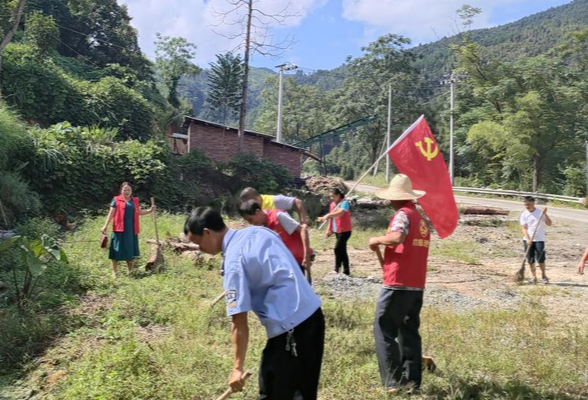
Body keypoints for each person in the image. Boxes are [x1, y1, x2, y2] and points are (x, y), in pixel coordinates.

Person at [184, 207, 324, 399]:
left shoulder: (233, 263)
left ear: (207, 233)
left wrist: (236, 368)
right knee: (304, 391)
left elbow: (239, 322)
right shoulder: (259, 231)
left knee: (273, 392)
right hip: (314, 315)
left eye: (198, 243)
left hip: (291, 328)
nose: (200, 249)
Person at [367, 174, 430, 394]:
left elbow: (397, 238)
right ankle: (412, 381)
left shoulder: (402, 215)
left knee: (383, 328)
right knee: (409, 332)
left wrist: (376, 240)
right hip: (416, 285)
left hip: (398, 283)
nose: (389, 201)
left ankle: (394, 382)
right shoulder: (420, 219)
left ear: (396, 198)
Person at [239, 200, 313, 283]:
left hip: (299, 263)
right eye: (248, 221)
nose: (251, 223)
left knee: (303, 293)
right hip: (284, 266)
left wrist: (306, 257)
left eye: (251, 219)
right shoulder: (262, 227)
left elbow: (303, 230)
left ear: (258, 212)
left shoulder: (279, 216)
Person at [100, 182, 154, 278]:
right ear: (121, 190)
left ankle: (130, 271)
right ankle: (114, 272)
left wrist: (150, 210)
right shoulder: (116, 200)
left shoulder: (135, 201)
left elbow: (140, 212)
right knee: (116, 250)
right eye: (124, 190)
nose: (126, 192)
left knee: (130, 251)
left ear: (131, 190)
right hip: (118, 229)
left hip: (131, 230)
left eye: (128, 190)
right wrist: (105, 226)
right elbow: (111, 213)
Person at [317, 187, 352, 275]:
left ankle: (337, 269)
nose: (331, 198)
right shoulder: (333, 204)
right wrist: (329, 229)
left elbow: (340, 213)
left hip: (345, 230)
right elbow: (332, 218)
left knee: (337, 248)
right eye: (330, 197)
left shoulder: (344, 203)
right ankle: (345, 271)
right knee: (342, 250)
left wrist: (327, 215)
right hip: (337, 230)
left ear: (338, 195)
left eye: (333, 196)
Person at [520, 196, 552, 283]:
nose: (527, 206)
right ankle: (534, 277)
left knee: (541, 258)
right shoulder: (524, 214)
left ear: (533, 203)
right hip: (528, 239)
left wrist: (544, 213)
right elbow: (524, 228)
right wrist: (528, 239)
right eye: (525, 204)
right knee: (530, 259)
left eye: (528, 204)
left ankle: (544, 276)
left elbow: (549, 224)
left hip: (539, 239)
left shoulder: (540, 213)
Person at [239, 187, 309, 225]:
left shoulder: (275, 200)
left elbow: (298, 202)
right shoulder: (251, 210)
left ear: (256, 199)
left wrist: (303, 223)